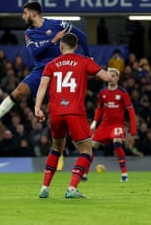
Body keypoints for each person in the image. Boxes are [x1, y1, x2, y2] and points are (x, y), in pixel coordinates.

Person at [0, 1, 90, 133]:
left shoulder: (57, 24)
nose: (23, 17)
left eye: (25, 13)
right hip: (40, 72)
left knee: (59, 113)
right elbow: (34, 53)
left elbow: (82, 37)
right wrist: (52, 41)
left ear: (33, 13)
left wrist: (88, 58)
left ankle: (60, 151)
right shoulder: (29, 33)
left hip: (59, 73)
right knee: (18, 92)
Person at [34, 33, 114, 199]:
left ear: (61, 46)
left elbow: (42, 87)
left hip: (55, 112)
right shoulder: (84, 61)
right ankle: (71, 188)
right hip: (75, 112)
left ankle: (44, 188)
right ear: (76, 46)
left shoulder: (51, 64)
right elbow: (106, 77)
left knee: (57, 148)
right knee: (86, 150)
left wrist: (37, 108)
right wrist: (96, 71)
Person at [88, 68, 136, 182]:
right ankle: (84, 173)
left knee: (117, 143)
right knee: (91, 147)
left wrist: (133, 130)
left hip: (117, 125)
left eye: (113, 76)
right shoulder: (103, 93)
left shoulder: (123, 93)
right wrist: (95, 122)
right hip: (104, 125)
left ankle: (124, 174)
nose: (111, 78)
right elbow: (99, 108)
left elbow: (131, 111)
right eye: (109, 75)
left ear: (118, 78)